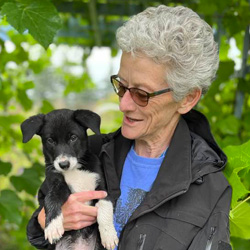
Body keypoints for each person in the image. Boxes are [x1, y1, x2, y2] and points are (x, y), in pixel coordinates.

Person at [27, 5, 232, 250]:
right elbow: (44, 222)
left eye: (141, 94)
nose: (123, 104)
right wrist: (42, 222)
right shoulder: (87, 151)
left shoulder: (211, 188)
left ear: (187, 98)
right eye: (121, 86)